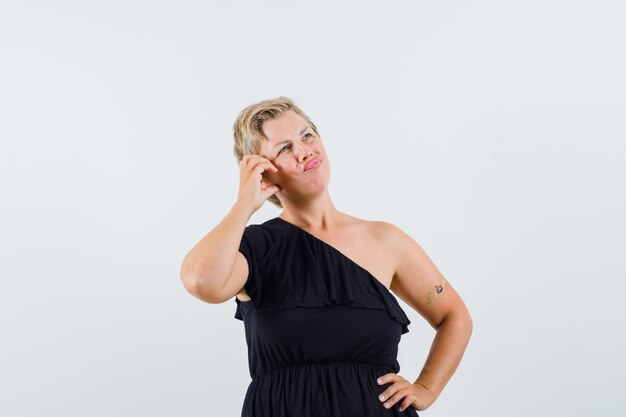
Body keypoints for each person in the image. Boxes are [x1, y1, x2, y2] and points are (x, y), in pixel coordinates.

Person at [180, 96, 473, 416]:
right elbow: (201, 280)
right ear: (263, 172)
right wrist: (243, 205)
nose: (304, 150)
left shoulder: (385, 241)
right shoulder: (255, 248)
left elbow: (453, 316)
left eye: (307, 136)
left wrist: (426, 388)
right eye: (284, 148)